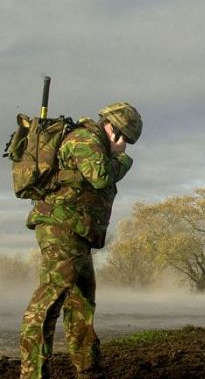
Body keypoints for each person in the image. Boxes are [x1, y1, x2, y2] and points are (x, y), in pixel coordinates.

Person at [19, 102, 143, 379]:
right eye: (125, 138)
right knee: (49, 300)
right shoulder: (85, 138)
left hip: (77, 231)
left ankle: (88, 368)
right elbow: (100, 177)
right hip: (61, 228)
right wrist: (121, 158)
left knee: (82, 302)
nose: (125, 144)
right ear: (114, 130)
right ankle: (31, 373)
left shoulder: (93, 141)